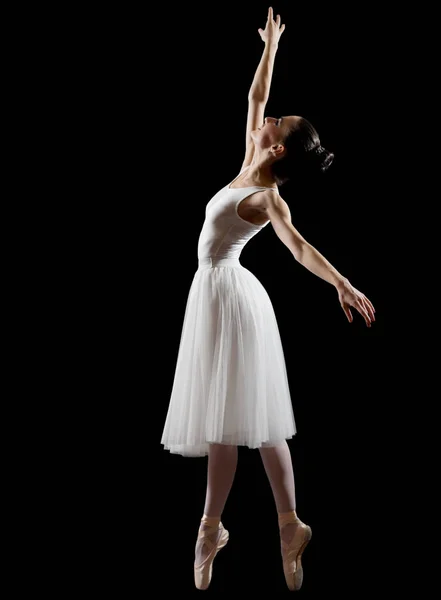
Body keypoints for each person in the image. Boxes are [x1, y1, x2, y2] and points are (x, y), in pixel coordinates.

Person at [161, 7, 375, 592]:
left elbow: (300, 247)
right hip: (213, 294)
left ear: (277, 150)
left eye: (276, 123)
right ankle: (275, 526)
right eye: (275, 117)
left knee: (242, 420)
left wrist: (342, 282)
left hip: (230, 301)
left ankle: (237, 528)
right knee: (228, 421)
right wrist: (272, 47)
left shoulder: (266, 197)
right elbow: (256, 95)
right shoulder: (249, 161)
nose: (268, 118)